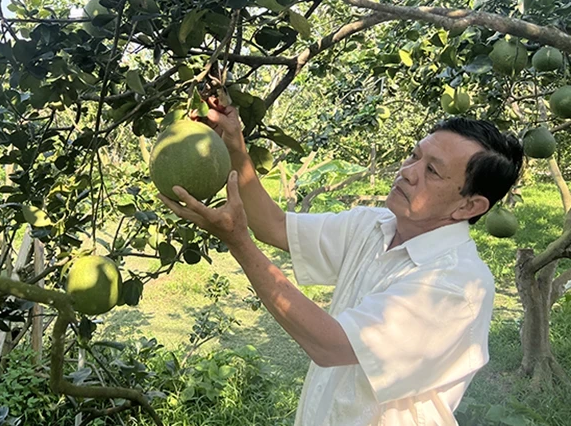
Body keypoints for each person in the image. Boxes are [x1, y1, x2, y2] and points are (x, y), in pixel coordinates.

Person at [158, 105, 523, 425]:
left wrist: (239, 243)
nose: (408, 171)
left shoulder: (456, 287)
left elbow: (330, 345)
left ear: (469, 207)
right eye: (414, 156)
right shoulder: (374, 226)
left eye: (433, 171)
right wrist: (236, 149)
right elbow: (274, 226)